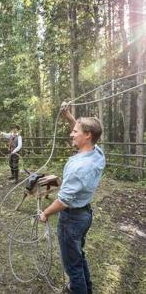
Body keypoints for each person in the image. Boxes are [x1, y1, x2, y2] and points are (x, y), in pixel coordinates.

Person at [40, 103, 105, 294]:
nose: (71, 133)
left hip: (72, 219)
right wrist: (68, 116)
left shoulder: (80, 168)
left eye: (75, 131)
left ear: (87, 136)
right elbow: (80, 128)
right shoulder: (97, 153)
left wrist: (45, 213)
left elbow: (64, 201)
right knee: (78, 256)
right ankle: (86, 289)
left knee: (72, 266)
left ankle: (78, 289)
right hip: (84, 215)